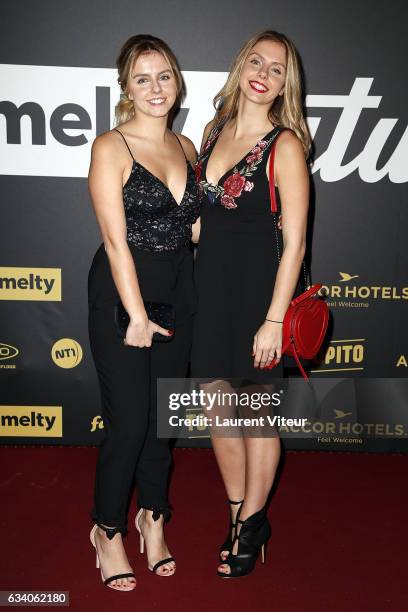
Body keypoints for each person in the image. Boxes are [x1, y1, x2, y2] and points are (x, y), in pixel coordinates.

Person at [191, 30, 311, 578]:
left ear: (287, 84)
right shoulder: (212, 132)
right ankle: (238, 513)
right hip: (210, 293)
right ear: (241, 67)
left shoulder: (284, 145)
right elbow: (203, 222)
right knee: (219, 412)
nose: (265, 72)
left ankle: (254, 520)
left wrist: (273, 320)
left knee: (258, 419)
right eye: (257, 61)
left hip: (260, 298)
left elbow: (297, 244)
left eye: (278, 69)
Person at [87, 34, 200, 590]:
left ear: (177, 81)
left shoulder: (187, 146)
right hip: (122, 293)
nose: (156, 88)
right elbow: (114, 240)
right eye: (142, 78)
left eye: (164, 76)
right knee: (130, 422)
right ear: (126, 88)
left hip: (179, 290)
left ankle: (151, 519)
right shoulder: (112, 146)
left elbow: (193, 227)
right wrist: (135, 314)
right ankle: (107, 530)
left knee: (163, 420)